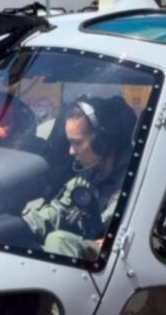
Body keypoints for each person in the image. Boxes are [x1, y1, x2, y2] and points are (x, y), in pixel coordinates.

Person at [20, 96, 135, 260]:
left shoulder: (136, 183)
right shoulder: (87, 178)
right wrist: (17, 226)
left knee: (58, 241)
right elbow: (58, 212)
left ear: (101, 142)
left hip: (119, 261)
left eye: (77, 143)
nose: (71, 152)